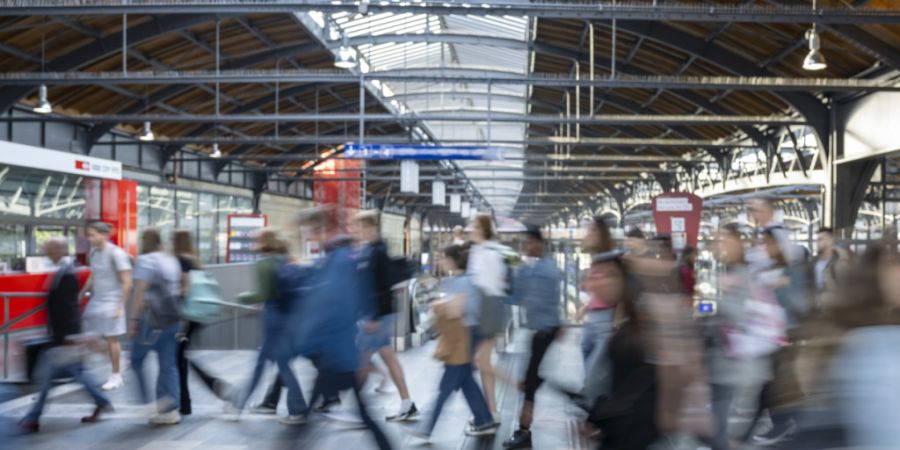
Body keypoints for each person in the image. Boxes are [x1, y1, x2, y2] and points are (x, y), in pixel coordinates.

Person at [293, 207, 392, 450]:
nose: (304, 235)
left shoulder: (337, 262)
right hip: (340, 351)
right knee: (363, 414)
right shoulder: (340, 259)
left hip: (335, 353)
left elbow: (330, 308)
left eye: (306, 229)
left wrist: (306, 342)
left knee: (310, 418)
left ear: (318, 228)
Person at [19, 238, 113, 433]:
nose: (46, 251)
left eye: (50, 248)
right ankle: (101, 401)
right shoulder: (61, 271)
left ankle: (33, 417)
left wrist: (69, 336)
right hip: (62, 337)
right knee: (76, 374)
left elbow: (69, 308)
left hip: (64, 338)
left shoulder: (67, 274)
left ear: (60, 250)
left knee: (46, 379)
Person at [407, 244, 498, 440]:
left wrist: (439, 305)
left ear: (452, 260)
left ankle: (427, 426)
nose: (440, 261)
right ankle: (485, 421)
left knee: (446, 385)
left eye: (442, 257)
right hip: (464, 335)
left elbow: (457, 311)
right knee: (466, 383)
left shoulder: (462, 282)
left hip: (464, 337)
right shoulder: (458, 280)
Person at [698, 225, 776, 450]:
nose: (718, 245)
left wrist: (716, 300)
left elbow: (743, 314)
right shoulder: (723, 272)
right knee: (715, 428)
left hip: (738, 363)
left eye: (724, 241)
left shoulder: (745, 275)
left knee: (720, 430)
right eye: (716, 241)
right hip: (724, 363)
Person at [230, 229, 308, 425]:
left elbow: (263, 294)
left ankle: (297, 409)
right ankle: (240, 405)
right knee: (276, 363)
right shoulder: (286, 260)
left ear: (263, 243)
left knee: (268, 363)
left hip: (273, 318)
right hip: (288, 317)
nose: (253, 245)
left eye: (256, 241)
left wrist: (242, 297)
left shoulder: (263, 263)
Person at [586, 252, 659, 450]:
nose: (593, 285)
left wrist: (602, 414)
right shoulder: (622, 314)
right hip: (623, 422)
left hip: (634, 425)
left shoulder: (640, 320)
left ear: (623, 279)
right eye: (593, 277)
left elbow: (642, 379)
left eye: (604, 276)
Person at [351, 211, 418, 421]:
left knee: (362, 360)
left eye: (359, 227)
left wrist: (372, 317)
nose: (356, 231)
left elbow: (379, 286)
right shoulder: (372, 249)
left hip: (377, 317)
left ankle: (356, 410)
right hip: (380, 315)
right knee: (384, 358)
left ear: (370, 227)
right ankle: (406, 403)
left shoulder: (376, 252)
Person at [503, 227, 563, 449]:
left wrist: (512, 271)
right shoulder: (540, 267)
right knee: (532, 378)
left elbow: (519, 296)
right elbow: (518, 296)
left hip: (544, 330)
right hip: (543, 329)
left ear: (539, 243)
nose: (526, 247)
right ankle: (534, 388)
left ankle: (523, 430)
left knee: (530, 381)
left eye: (529, 242)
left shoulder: (543, 269)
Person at [172, 230, 234, 416]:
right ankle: (205, 391)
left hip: (188, 315)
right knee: (182, 357)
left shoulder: (181, 260)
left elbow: (184, 289)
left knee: (180, 358)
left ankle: (187, 402)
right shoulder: (195, 259)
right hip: (199, 314)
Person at [128, 228, 184, 425]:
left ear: (145, 241)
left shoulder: (145, 260)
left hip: (151, 320)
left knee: (136, 360)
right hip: (172, 318)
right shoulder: (171, 260)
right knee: (167, 363)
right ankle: (170, 409)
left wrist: (133, 321)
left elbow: (139, 293)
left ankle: (147, 403)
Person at [79, 222, 132, 391]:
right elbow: (93, 276)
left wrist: (119, 306)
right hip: (98, 299)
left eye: (92, 234)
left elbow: (126, 282)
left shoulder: (116, 253)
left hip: (113, 300)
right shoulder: (93, 252)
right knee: (88, 336)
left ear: (103, 235)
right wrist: (81, 293)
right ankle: (120, 360)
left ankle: (116, 375)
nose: (89, 238)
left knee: (111, 338)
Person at [467, 213, 510, 420]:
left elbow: (485, 284)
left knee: (480, 361)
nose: (469, 228)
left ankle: (515, 383)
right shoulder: (478, 250)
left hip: (490, 308)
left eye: (474, 225)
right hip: (483, 308)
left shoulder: (490, 251)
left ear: (483, 229)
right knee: (482, 361)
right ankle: (492, 410)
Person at [575, 217, 618, 408]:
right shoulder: (597, 259)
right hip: (594, 316)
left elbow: (617, 289)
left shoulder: (612, 258)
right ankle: (592, 395)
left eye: (592, 231)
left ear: (601, 234)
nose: (588, 234)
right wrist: (585, 308)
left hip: (607, 317)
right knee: (586, 353)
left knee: (598, 365)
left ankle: (595, 403)